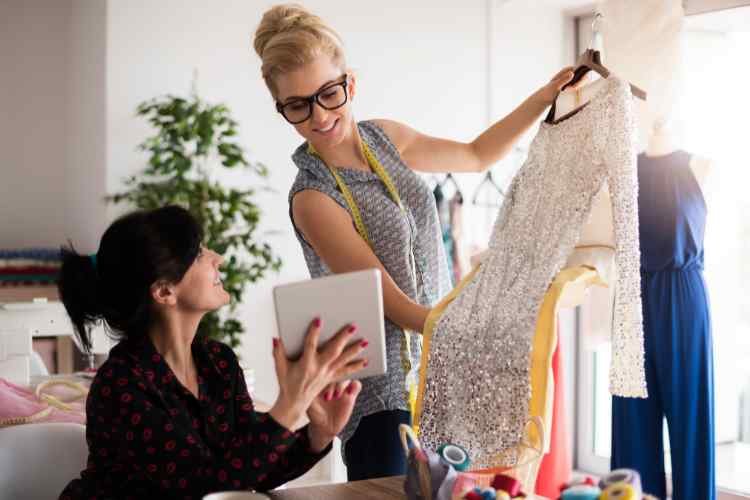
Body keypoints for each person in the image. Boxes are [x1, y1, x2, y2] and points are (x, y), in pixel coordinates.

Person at [253, 3, 575, 480]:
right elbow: (391, 302)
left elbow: (477, 154)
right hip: (381, 399)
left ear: (350, 84)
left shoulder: (385, 139)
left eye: (329, 94)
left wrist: (545, 96)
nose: (319, 116)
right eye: (298, 105)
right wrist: (471, 333)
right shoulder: (312, 197)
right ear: (281, 108)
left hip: (437, 375)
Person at [57, 205, 367, 499]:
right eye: (198, 254)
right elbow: (203, 489)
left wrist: (318, 434)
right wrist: (290, 404)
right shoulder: (120, 385)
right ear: (164, 291)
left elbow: (250, 469)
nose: (217, 258)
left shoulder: (218, 362)